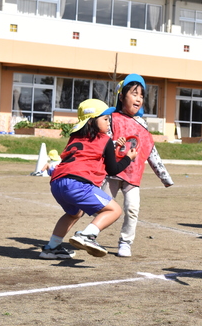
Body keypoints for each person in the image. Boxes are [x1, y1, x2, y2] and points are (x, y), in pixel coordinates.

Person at [40, 99, 137, 260]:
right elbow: (113, 169)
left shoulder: (75, 138)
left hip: (57, 182)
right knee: (114, 210)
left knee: (74, 213)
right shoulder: (104, 139)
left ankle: (51, 247)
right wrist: (128, 158)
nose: (109, 123)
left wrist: (113, 148)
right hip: (77, 184)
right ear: (92, 121)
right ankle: (87, 235)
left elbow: (88, 152)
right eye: (105, 119)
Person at [102, 74, 173, 258]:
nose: (139, 99)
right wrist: (115, 142)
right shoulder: (112, 118)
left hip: (133, 176)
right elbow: (103, 143)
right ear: (121, 96)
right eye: (134, 94)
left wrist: (164, 176)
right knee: (101, 206)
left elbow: (151, 151)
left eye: (141, 95)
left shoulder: (142, 124)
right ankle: (91, 235)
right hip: (112, 173)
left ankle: (125, 242)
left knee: (132, 209)